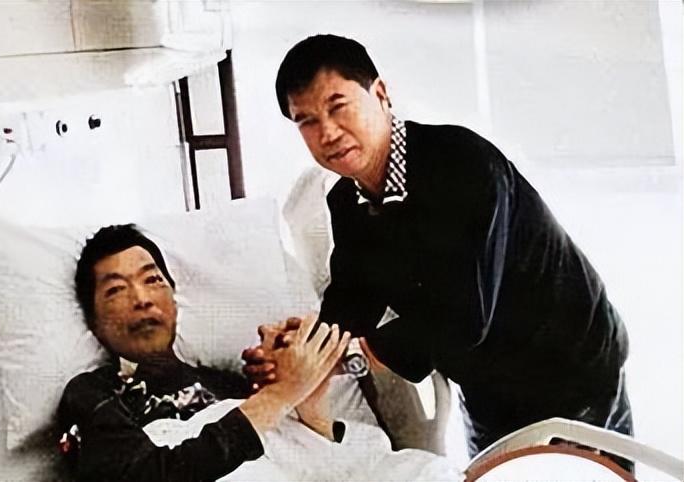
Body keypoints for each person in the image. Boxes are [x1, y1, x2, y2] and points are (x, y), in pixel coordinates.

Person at [244, 33, 633, 471]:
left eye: (339, 107)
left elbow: (464, 320)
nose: (328, 132)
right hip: (489, 386)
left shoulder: (462, 165)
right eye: (307, 121)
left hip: (569, 368)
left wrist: (348, 357)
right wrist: (301, 348)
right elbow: (353, 299)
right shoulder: (346, 202)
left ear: (381, 94)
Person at [57, 224, 351, 481]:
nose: (142, 299)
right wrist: (277, 397)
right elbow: (137, 476)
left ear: (174, 300)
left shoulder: (228, 384)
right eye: (116, 290)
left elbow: (316, 466)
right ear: (93, 322)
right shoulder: (91, 393)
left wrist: (308, 398)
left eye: (153, 280)